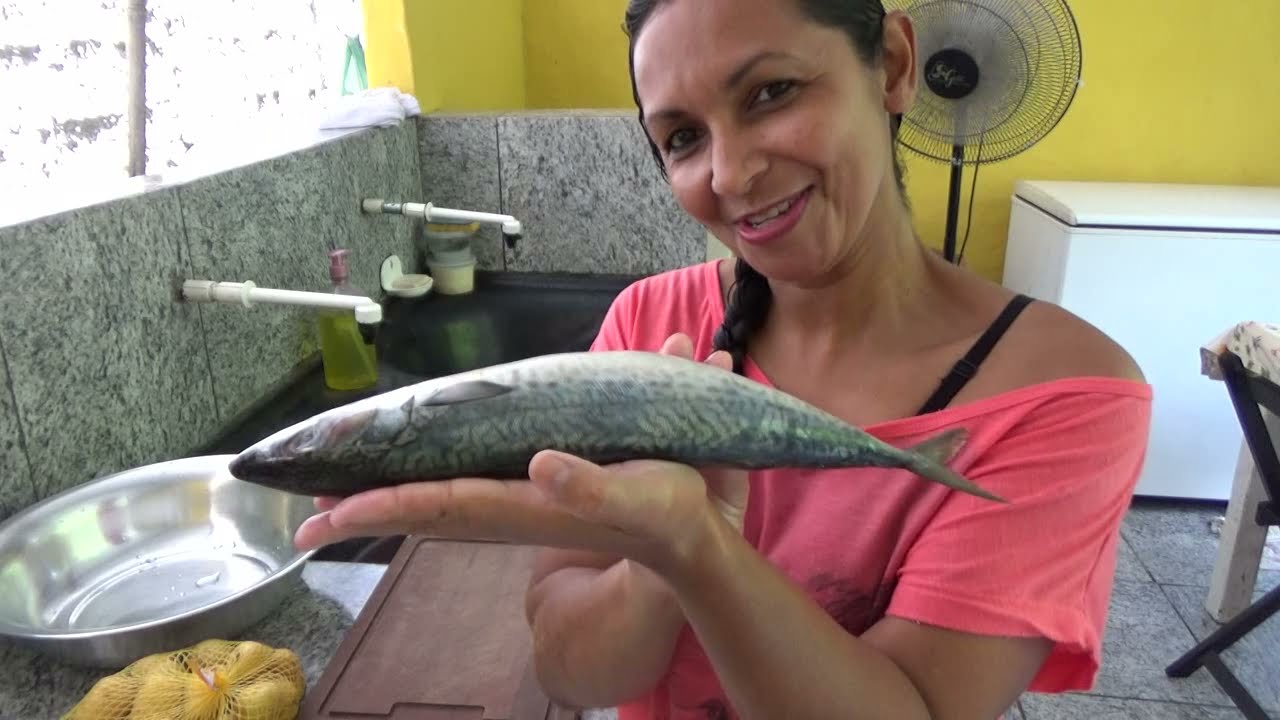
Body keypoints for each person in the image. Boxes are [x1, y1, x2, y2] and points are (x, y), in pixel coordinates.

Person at [294, 0, 1153, 717]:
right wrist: (660, 558)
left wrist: (701, 546)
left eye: (772, 92)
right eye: (680, 139)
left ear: (892, 66)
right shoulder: (651, 322)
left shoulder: (1065, 397)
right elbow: (573, 673)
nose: (732, 173)